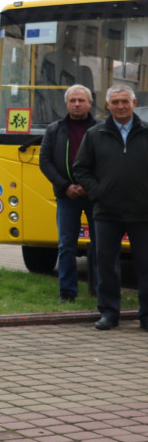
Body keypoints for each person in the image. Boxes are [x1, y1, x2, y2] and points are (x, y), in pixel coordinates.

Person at [73, 84, 148, 331]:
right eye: (115, 102)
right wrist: (98, 193)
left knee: (145, 266)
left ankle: (146, 316)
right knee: (106, 265)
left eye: (125, 101)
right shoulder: (95, 134)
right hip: (107, 212)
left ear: (134, 103)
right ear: (107, 105)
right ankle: (109, 313)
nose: (120, 106)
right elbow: (81, 169)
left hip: (143, 213)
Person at [38, 84, 100, 302]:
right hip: (67, 196)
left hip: (95, 197)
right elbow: (45, 161)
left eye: (81, 100)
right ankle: (67, 292)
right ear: (66, 104)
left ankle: (101, 291)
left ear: (90, 103)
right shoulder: (54, 130)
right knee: (66, 246)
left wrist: (89, 186)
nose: (77, 104)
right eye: (73, 100)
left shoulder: (102, 129)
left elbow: (108, 161)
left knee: (101, 245)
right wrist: (65, 186)